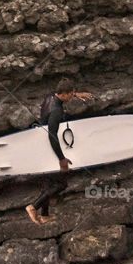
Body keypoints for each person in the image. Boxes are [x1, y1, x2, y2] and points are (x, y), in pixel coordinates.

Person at [26, 78, 96, 225]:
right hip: (50, 147)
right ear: (63, 94)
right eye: (70, 95)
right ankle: (33, 207)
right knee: (61, 184)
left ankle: (44, 215)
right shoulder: (56, 111)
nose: (71, 97)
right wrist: (61, 159)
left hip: (40, 144)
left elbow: (63, 93)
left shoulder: (50, 96)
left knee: (47, 182)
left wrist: (77, 94)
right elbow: (52, 135)